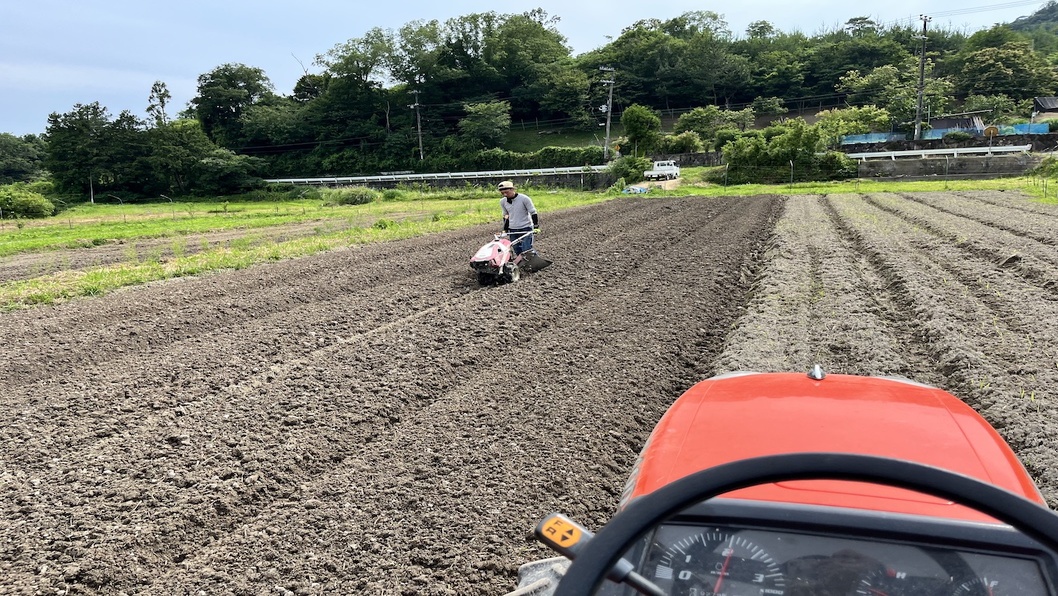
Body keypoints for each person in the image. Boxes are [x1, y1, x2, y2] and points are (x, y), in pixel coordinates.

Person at [498, 180, 540, 255]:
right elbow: (506, 215)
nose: (504, 195)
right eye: (502, 193)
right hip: (512, 229)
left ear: (512, 189)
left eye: (506, 192)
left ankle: (535, 263)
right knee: (517, 249)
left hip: (526, 227)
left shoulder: (524, 199)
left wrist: (536, 226)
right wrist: (505, 229)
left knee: (527, 249)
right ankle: (522, 265)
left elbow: (533, 212)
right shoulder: (503, 201)